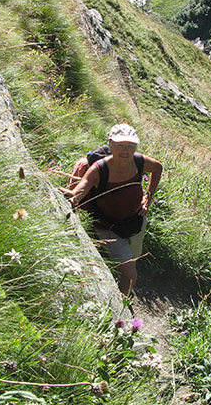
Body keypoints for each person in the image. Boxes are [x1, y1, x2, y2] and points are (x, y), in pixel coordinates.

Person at [59, 124, 162, 296]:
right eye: (120, 145)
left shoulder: (139, 161)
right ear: (110, 144)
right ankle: (120, 309)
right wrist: (70, 196)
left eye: (130, 146)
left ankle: (123, 280)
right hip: (110, 227)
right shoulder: (99, 169)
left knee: (133, 259)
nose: (125, 151)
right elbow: (79, 191)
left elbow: (158, 168)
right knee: (130, 276)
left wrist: (148, 197)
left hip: (136, 219)